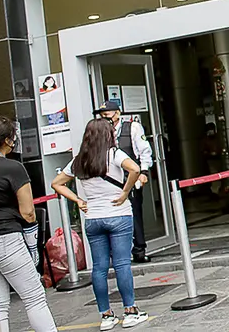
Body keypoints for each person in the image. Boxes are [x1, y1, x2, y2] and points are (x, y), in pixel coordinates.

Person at [52, 119, 148, 331]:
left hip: (93, 218)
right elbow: (134, 168)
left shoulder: (79, 160)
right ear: (108, 134)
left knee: (99, 267)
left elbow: (56, 183)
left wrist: (78, 200)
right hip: (118, 214)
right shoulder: (114, 154)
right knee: (122, 263)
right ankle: (130, 311)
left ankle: (106, 315)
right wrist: (124, 192)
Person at [0, 117, 58, 332]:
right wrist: (32, 245)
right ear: (7, 141)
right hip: (8, 239)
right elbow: (28, 212)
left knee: (0, 305)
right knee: (34, 297)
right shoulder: (12, 168)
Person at [96, 100, 153, 263]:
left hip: (131, 178)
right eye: (102, 116)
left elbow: (144, 151)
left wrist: (143, 172)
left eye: (106, 115)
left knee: (134, 212)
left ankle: (139, 249)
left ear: (117, 113)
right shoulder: (101, 132)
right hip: (111, 180)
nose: (104, 118)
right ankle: (118, 252)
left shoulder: (132, 127)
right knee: (113, 214)